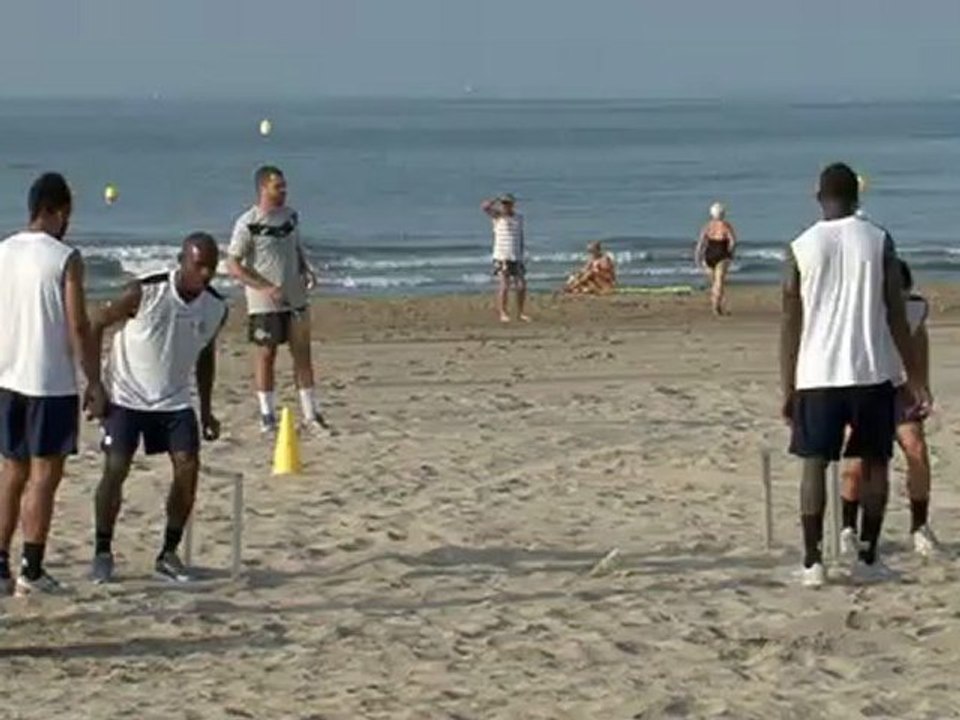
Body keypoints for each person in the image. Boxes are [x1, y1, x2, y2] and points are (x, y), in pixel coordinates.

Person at [780, 162, 926, 588]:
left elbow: (791, 321)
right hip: (870, 370)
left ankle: (813, 562)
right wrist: (913, 376)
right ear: (857, 198)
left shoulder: (800, 246)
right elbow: (896, 314)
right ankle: (867, 556)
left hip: (817, 373)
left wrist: (787, 385)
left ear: (817, 196)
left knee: (814, 464)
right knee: (875, 461)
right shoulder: (878, 240)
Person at [89, 233, 227, 584]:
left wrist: (207, 409)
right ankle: (102, 551)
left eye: (211, 267)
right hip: (126, 395)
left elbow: (205, 354)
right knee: (116, 469)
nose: (206, 274)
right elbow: (96, 323)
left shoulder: (215, 307)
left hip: (174, 399)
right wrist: (94, 385)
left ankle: (168, 552)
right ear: (181, 261)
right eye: (199, 266)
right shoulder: (144, 291)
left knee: (188, 467)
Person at [0, 172, 106, 595]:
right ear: (58, 212)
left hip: (7, 376)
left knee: (11, 472)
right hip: (48, 380)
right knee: (44, 476)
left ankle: (0, 566)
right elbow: (78, 323)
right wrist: (94, 380)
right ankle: (32, 565)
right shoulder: (65, 257)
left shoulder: (3, 250)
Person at [840, 259, 938, 557]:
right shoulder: (860, 313)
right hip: (865, 390)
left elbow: (919, 342)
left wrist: (922, 384)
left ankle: (919, 526)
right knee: (857, 466)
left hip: (900, 389)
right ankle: (848, 529)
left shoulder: (915, 308)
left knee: (916, 451)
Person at [226, 166, 332, 436]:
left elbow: (295, 246)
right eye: (278, 187)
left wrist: (307, 268)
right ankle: (267, 415)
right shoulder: (247, 223)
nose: (283, 192)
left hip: (295, 296)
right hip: (265, 302)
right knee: (266, 355)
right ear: (263, 189)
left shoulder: (290, 216)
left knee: (302, 354)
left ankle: (310, 414)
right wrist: (264, 287)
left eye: (285, 186)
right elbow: (233, 265)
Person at [482, 193, 529, 323]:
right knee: (504, 285)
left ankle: (520, 313)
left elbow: (520, 236)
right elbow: (485, 207)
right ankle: (503, 312)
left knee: (521, 285)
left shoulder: (519, 218)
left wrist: (522, 253)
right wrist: (495, 200)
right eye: (503, 203)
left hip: (516, 256)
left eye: (508, 203)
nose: (505, 206)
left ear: (513, 204)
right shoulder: (498, 217)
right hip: (502, 256)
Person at [695, 202, 737, 315]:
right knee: (719, 282)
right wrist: (731, 253)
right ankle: (716, 306)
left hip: (709, 254)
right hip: (721, 253)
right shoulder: (726, 226)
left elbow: (701, 243)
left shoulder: (707, 226)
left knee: (713, 282)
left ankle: (715, 303)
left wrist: (698, 256)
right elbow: (732, 241)